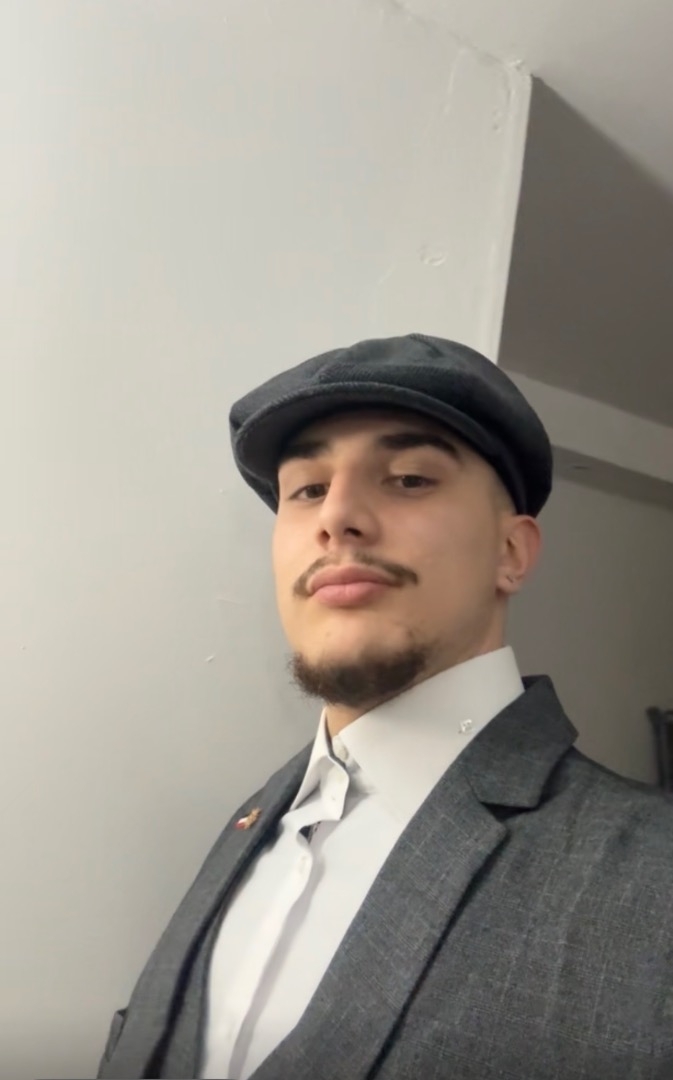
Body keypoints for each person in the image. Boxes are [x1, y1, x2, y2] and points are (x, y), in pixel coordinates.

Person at [97, 333, 673, 1080]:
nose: (336, 516)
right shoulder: (254, 820)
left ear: (511, 552)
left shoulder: (651, 877)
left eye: (407, 478)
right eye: (306, 490)